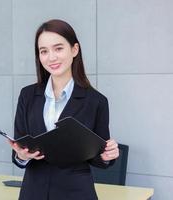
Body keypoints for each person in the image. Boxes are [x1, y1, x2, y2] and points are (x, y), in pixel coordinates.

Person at [9, 19, 119, 200]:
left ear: (74, 50)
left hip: (75, 193)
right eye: (44, 51)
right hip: (33, 192)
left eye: (58, 48)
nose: (51, 57)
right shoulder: (27, 95)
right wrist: (21, 155)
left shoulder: (96, 101)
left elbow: (97, 156)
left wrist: (108, 155)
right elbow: (19, 151)